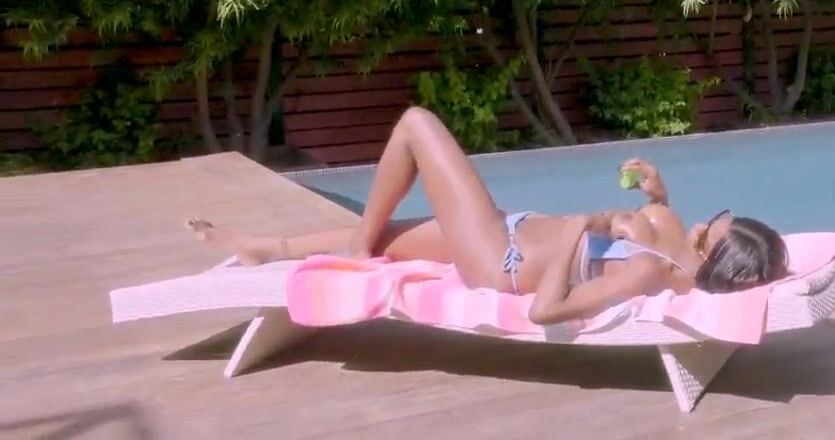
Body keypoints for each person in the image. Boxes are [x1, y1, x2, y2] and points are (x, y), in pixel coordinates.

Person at [187, 106, 790, 325]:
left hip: (500, 259)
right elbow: (653, 226)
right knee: (391, 237)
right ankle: (269, 247)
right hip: (510, 228)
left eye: (713, 231)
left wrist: (577, 228)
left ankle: (354, 251)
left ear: (713, 257)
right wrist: (656, 193)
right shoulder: (673, 237)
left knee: (416, 125)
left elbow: (547, 311)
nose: (704, 224)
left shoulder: (647, 274)